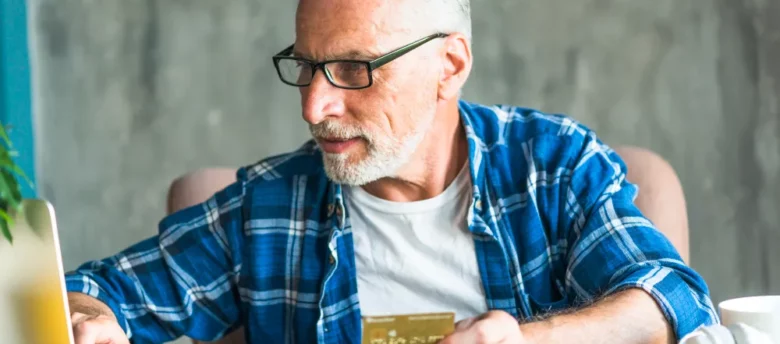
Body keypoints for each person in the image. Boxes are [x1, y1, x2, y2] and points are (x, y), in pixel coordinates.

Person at [65, 0, 719, 343]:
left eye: (354, 69)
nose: (315, 105)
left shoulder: (549, 168)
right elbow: (94, 293)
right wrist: (89, 321)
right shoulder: (267, 209)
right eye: (306, 66)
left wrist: (528, 341)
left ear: (449, 66)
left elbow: (671, 300)